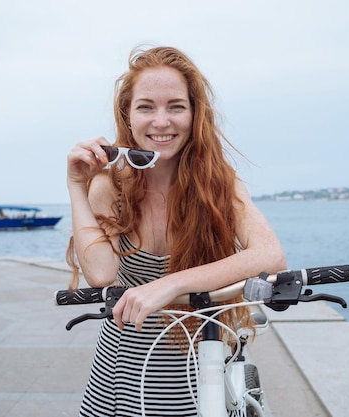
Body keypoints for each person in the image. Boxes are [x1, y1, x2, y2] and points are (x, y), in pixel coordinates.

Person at [65, 45, 287, 417]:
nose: (161, 121)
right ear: (128, 115)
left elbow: (270, 254)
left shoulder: (218, 184)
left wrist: (170, 283)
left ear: (195, 114)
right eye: (146, 106)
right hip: (123, 362)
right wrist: (76, 185)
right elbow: (101, 273)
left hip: (197, 355)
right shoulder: (110, 184)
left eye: (176, 106)